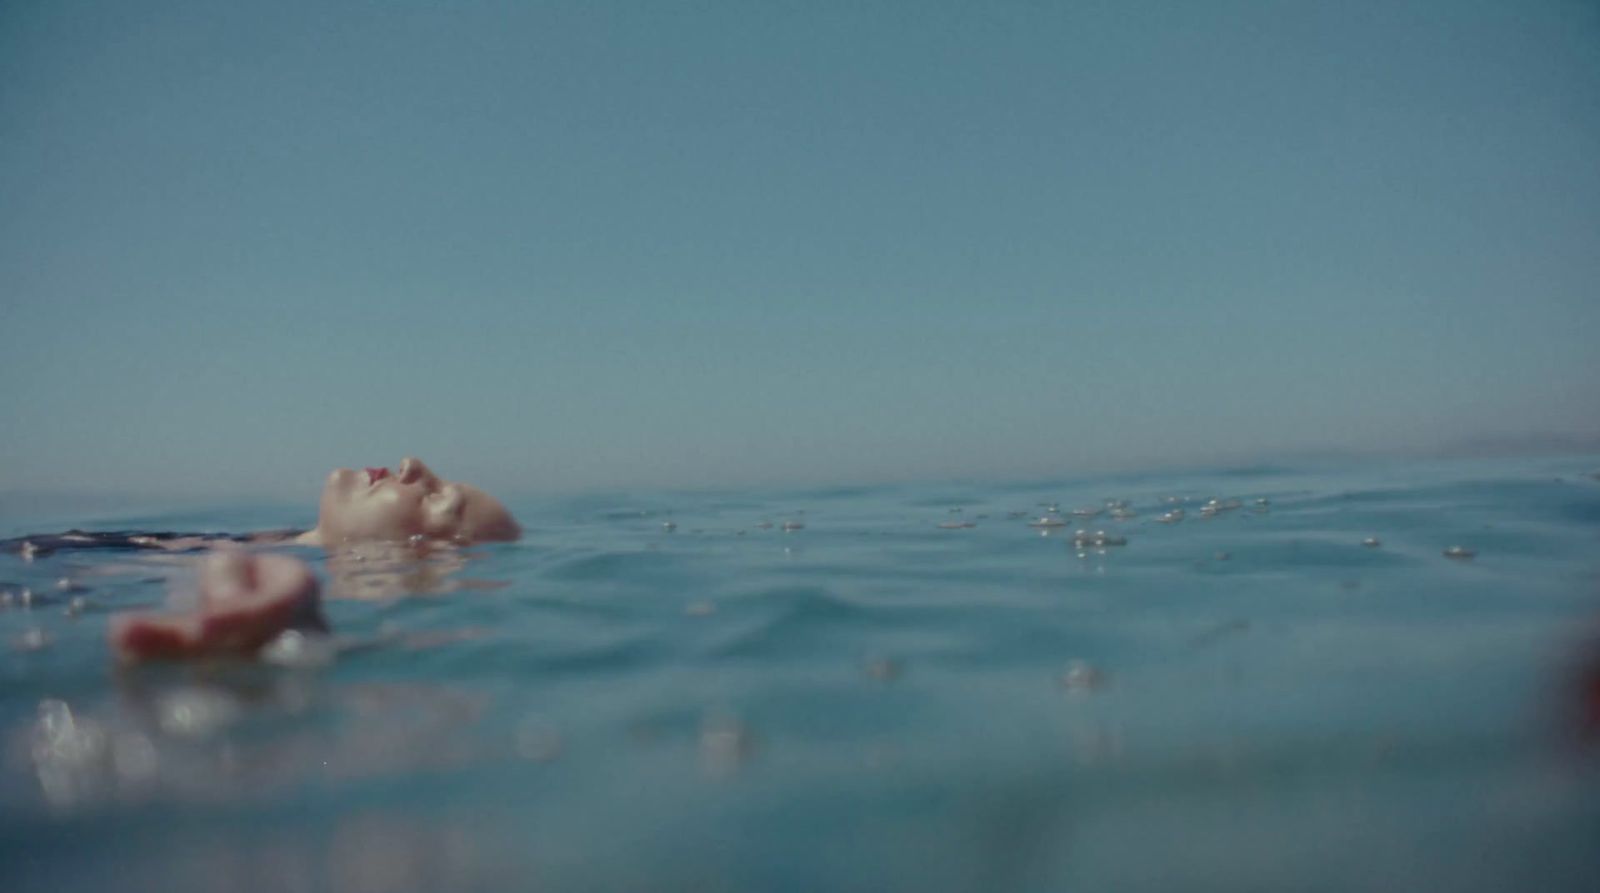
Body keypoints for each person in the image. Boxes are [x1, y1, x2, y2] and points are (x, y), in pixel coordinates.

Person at [1, 456, 520, 555]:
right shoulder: (266, 547)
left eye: (435, 497)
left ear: (415, 552)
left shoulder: (261, 582)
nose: (412, 464)